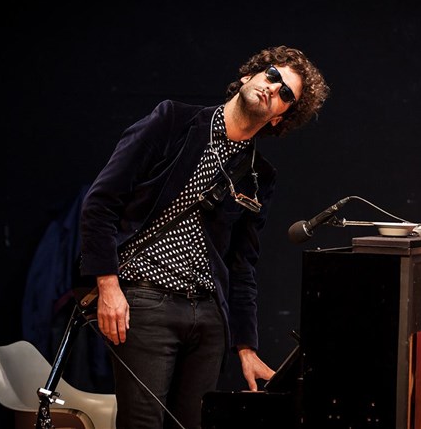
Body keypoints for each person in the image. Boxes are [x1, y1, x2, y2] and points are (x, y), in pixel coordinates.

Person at [79, 45, 330, 429]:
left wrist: (246, 346)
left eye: (285, 93)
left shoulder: (259, 175)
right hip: (147, 300)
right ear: (249, 75)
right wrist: (108, 286)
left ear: (280, 117)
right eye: (271, 75)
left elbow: (242, 265)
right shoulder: (173, 121)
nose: (272, 87)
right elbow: (100, 203)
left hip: (209, 318)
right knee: (142, 423)